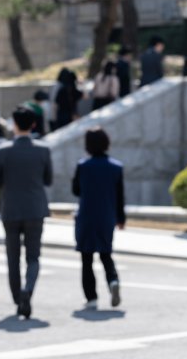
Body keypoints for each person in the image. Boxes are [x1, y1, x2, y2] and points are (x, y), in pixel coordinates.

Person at [0, 106, 53, 319]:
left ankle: (18, 300)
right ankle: (28, 290)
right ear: (33, 125)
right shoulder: (43, 150)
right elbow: (48, 180)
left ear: (14, 124)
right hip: (35, 208)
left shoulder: (2, 151)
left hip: (11, 209)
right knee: (33, 257)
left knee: (13, 257)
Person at [72, 127, 126, 310]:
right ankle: (113, 281)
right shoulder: (116, 167)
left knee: (86, 259)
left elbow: (76, 191)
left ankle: (91, 298)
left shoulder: (83, 166)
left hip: (86, 216)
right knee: (106, 254)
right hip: (106, 216)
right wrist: (121, 219)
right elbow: (120, 196)